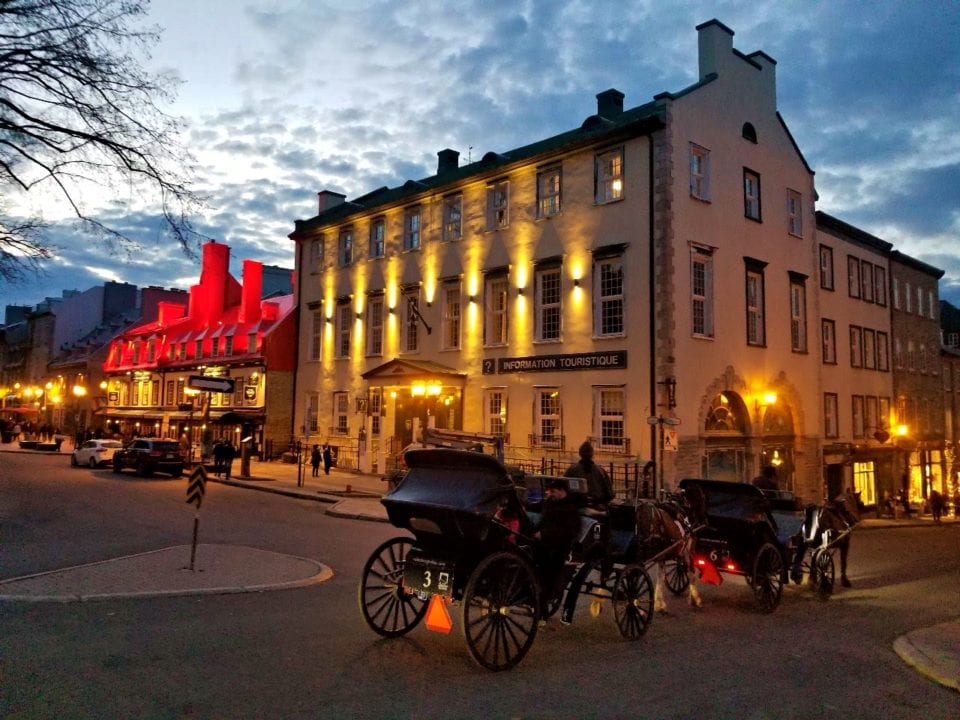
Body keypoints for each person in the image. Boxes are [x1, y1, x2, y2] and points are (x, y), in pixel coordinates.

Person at [534, 478, 582, 610]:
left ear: (562, 491)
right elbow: (535, 508)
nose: (550, 494)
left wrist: (545, 534)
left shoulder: (570, 509)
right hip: (542, 541)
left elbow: (568, 532)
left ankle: (543, 604)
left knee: (548, 572)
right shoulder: (549, 503)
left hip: (558, 547)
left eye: (553, 491)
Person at [564, 441, 613, 509]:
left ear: (580, 454)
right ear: (592, 454)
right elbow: (610, 494)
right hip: (595, 506)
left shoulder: (572, 470)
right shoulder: (600, 471)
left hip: (578, 507)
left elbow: (563, 488)